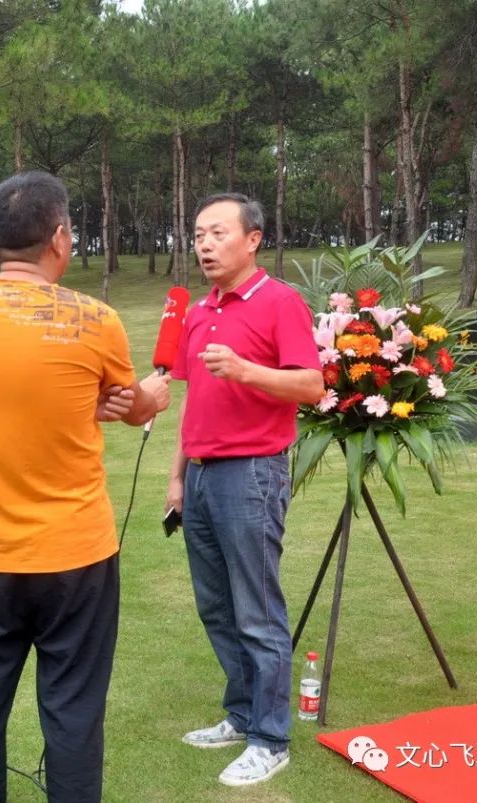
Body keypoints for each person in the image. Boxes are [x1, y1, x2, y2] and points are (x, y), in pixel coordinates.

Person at [0, 171, 171, 803]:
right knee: (72, 709)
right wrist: (152, 395)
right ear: (60, 237)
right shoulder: (97, 320)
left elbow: (9, 393)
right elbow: (129, 402)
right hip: (76, 556)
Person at [165, 193, 323, 787]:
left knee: (257, 611)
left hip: (253, 474)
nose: (204, 244)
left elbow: (311, 385)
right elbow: (194, 402)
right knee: (217, 607)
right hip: (202, 476)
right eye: (198, 234)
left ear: (252, 239)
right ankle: (241, 715)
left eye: (217, 233)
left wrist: (247, 370)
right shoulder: (199, 309)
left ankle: (270, 737)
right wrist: (177, 477)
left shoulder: (279, 302)